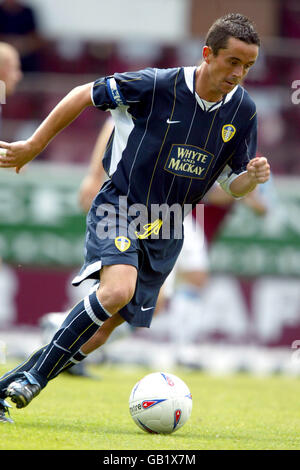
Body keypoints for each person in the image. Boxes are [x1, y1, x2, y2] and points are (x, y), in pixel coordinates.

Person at [0, 13, 270, 422]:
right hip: (122, 205)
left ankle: (9, 385)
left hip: (170, 223)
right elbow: (82, 93)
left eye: (248, 66)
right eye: (233, 61)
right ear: (207, 55)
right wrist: (33, 146)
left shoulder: (243, 111)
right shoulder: (158, 84)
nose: (239, 73)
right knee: (115, 292)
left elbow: (231, 186)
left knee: (107, 326)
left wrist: (248, 181)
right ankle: (34, 379)